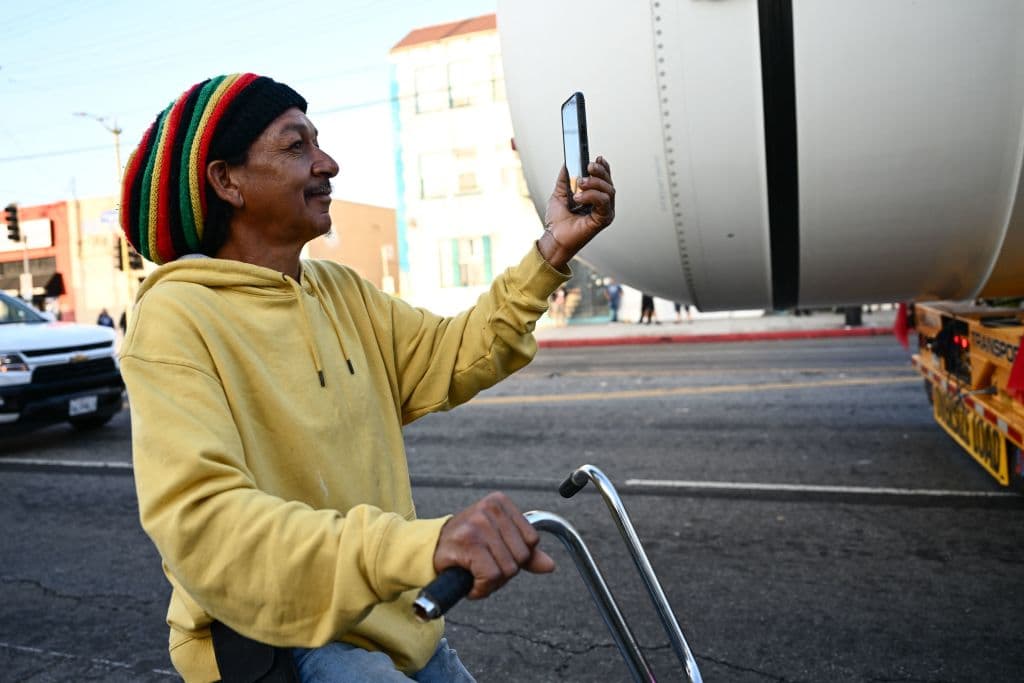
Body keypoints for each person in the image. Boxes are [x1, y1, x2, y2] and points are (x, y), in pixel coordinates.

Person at [117, 73, 615, 683]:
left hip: (398, 617)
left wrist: (552, 252)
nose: (327, 163)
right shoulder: (175, 317)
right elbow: (206, 525)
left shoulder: (338, 289)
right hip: (284, 638)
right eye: (295, 146)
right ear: (226, 181)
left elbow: (448, 354)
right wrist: (420, 548)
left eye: (317, 141)